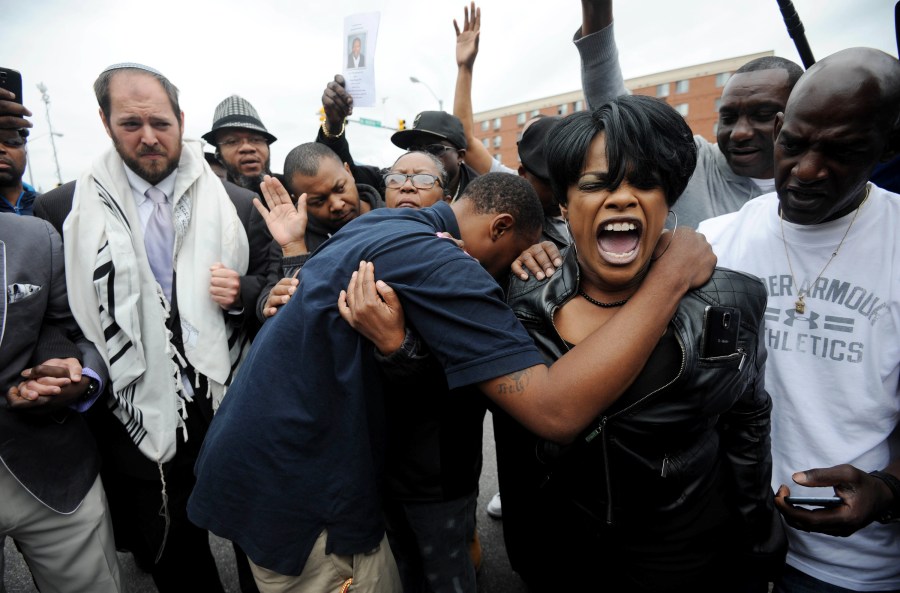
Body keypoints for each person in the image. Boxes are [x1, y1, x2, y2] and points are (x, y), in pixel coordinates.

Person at [188, 152, 716, 592]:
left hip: (247, 464)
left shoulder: (384, 223)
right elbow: (555, 411)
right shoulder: (447, 265)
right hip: (304, 502)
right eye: (503, 261)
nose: (497, 279)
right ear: (501, 227)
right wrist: (668, 279)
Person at [31, 62, 261, 593]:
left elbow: (270, 288)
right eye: (131, 124)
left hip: (228, 400)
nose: (150, 137)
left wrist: (242, 296)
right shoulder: (63, 209)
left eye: (161, 122)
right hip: (133, 412)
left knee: (260, 541)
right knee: (174, 555)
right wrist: (71, 364)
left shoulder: (239, 205)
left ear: (182, 119)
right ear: (105, 122)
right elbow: (58, 318)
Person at [698, 47, 900, 592]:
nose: (807, 170)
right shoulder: (716, 241)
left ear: (889, 146)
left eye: (843, 151)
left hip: (847, 567)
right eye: (795, 143)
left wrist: (885, 492)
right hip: (726, 541)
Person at [576, 0, 804, 229]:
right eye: (728, 118)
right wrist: (597, 9)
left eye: (762, 115)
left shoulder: (824, 187)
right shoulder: (690, 163)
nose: (739, 133)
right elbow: (614, 107)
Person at [254, 142, 384, 321]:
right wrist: (269, 303)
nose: (337, 204)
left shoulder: (393, 215)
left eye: (340, 188)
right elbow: (270, 293)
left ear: (349, 171)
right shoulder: (291, 238)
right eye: (319, 201)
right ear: (299, 200)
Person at [202, 94, 283, 197]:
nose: (247, 148)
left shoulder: (297, 191)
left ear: (268, 147)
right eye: (232, 141)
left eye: (256, 140)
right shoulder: (210, 199)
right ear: (219, 154)